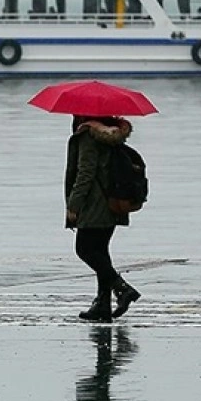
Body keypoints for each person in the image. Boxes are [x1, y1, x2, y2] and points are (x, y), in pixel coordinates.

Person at [65, 115, 143, 322]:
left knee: (84, 250)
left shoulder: (87, 136)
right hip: (113, 201)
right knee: (100, 252)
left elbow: (85, 173)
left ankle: (122, 289)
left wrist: (74, 205)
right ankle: (103, 305)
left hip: (94, 203)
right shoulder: (114, 135)